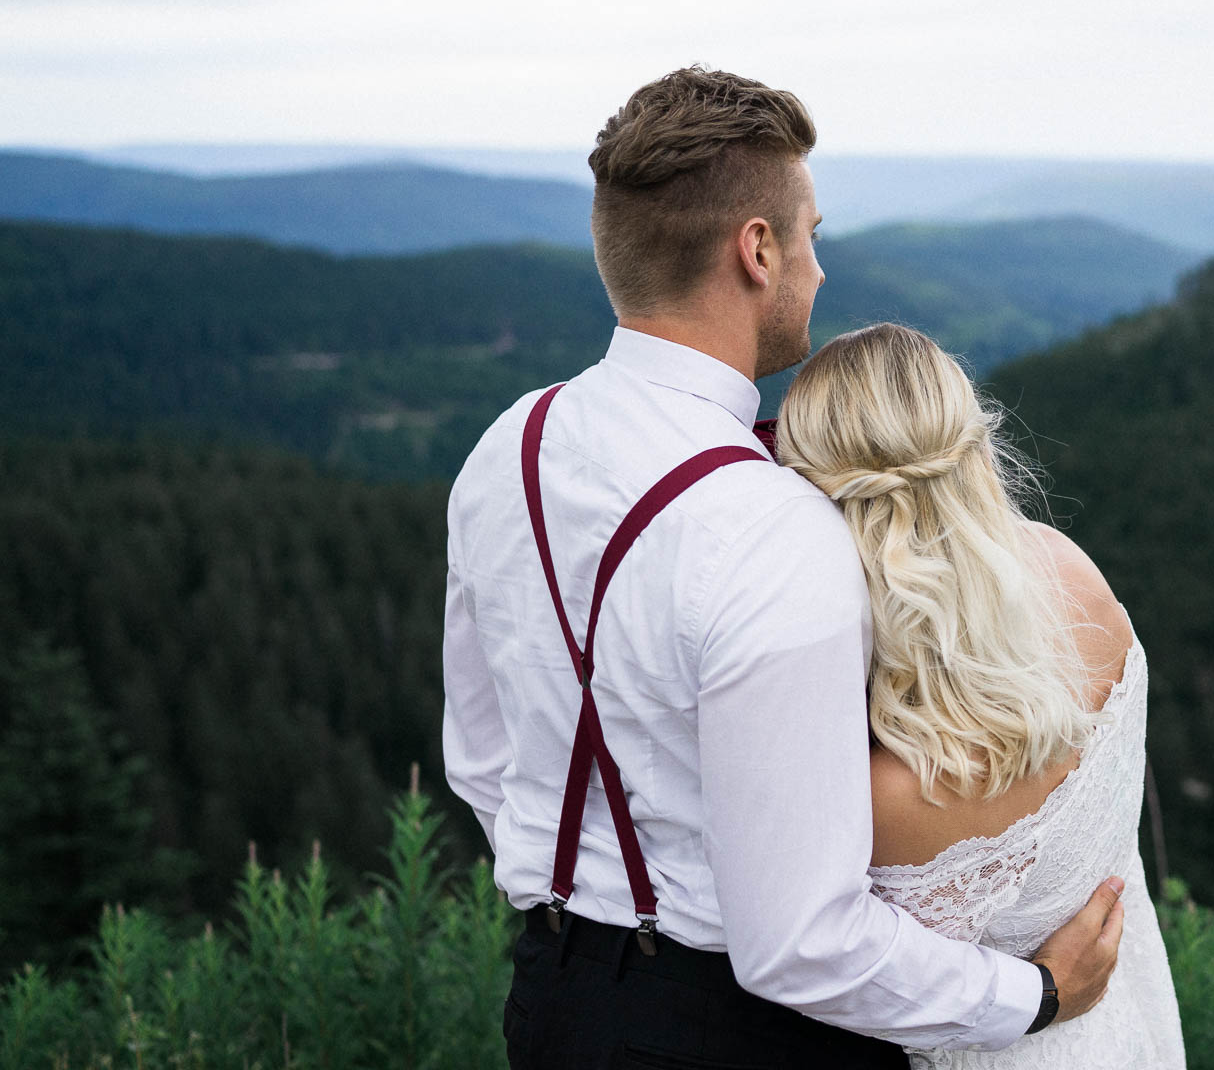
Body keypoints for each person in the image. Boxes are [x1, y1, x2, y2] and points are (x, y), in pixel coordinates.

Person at [442, 67, 1125, 1068]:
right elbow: (803, 942)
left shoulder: (510, 445)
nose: (816, 268)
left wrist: (596, 883)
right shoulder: (775, 528)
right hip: (737, 1033)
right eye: (809, 234)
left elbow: (481, 760)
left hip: (550, 1004)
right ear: (757, 250)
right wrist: (1034, 992)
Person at [776, 324, 1186, 1069]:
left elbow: (830, 978)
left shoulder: (886, 789)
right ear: (976, 448)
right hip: (1129, 1030)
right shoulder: (1074, 575)